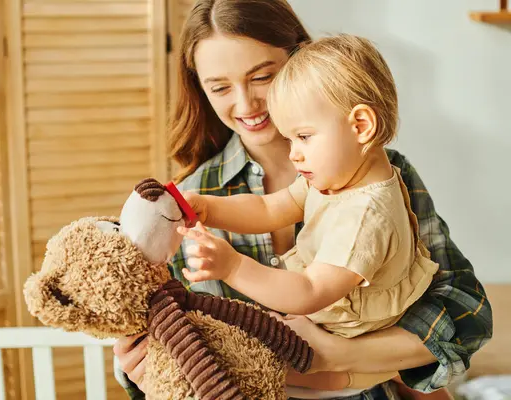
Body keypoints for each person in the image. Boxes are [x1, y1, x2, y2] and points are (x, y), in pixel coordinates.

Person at [113, 1, 492, 399]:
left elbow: (464, 310)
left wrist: (341, 355)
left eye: (262, 77)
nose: (245, 105)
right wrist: (138, 369)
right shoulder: (187, 202)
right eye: (220, 87)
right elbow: (159, 330)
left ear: (298, 61)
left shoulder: (375, 184)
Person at [176, 33, 440, 397]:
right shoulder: (340, 176)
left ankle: (352, 378)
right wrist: (210, 207)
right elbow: (272, 208)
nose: (294, 154)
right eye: (219, 86)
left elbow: (310, 291)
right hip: (328, 322)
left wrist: (233, 267)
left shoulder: (365, 215)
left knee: (287, 376)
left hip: (352, 331)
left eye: (303, 136)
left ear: (361, 126)